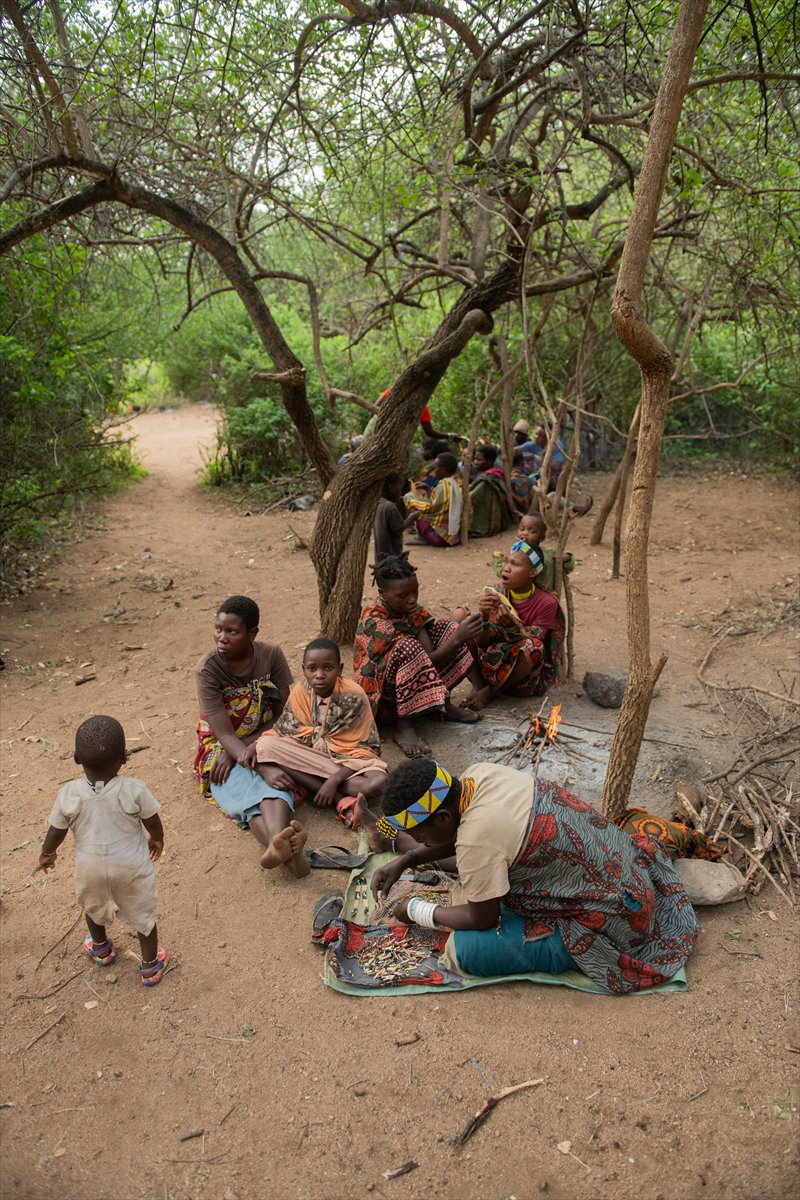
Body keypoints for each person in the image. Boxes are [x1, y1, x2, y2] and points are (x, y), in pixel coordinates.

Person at [368, 758, 698, 994]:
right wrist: (409, 858)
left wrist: (414, 910)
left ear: (441, 818)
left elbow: (481, 918)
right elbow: (462, 838)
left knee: (466, 950)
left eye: (419, 835)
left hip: (619, 923)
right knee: (473, 871)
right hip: (630, 875)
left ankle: (564, 951)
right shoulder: (478, 776)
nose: (421, 842)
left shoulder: (476, 836)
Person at [38, 715, 169, 986]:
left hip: (91, 870)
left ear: (76, 758)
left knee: (92, 906)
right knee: (143, 916)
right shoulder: (134, 790)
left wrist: (47, 853)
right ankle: (150, 966)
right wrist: (156, 838)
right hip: (131, 868)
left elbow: (56, 831)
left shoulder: (69, 794)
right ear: (124, 757)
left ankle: (100, 948)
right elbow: (152, 819)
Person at [194, 595, 309, 876]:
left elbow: (287, 713)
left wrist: (257, 750)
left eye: (232, 631)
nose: (221, 638)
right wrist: (255, 761)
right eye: (218, 629)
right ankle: (284, 848)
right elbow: (222, 732)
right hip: (220, 746)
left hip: (269, 736)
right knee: (253, 788)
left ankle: (279, 847)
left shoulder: (271, 655)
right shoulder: (207, 670)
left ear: (252, 633)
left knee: (270, 783)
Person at [353, 554, 483, 757]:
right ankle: (403, 726)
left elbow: (428, 654)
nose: (412, 598)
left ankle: (441, 705)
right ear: (383, 593)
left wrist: (455, 635)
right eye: (403, 595)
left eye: (415, 591)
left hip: (409, 680)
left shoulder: (408, 607)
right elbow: (422, 659)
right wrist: (458, 639)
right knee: (410, 648)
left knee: (447, 628)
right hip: (384, 704)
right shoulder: (376, 621)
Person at [256, 638, 388, 827]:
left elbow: (365, 749)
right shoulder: (301, 691)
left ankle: (311, 783)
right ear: (303, 669)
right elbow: (285, 730)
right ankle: (339, 799)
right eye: (312, 669)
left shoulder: (354, 695)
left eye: (328, 668)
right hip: (311, 755)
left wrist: (334, 780)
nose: (319, 675)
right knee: (265, 745)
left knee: (378, 782)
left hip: (346, 762)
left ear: (340, 669)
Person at [466, 539, 565, 710]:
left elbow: (536, 641)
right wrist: (482, 615)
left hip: (521, 680)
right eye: (506, 562)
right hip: (489, 666)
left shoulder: (547, 602)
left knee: (533, 646)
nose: (505, 568)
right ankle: (478, 685)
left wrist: (512, 628)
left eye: (515, 564)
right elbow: (482, 641)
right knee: (463, 624)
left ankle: (490, 692)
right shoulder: (495, 593)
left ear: (532, 572)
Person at [492, 512, 575, 592]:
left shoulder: (549, 554)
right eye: (522, 529)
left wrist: (567, 558)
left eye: (532, 531)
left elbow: (568, 567)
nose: (525, 533)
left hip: (544, 599)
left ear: (542, 537)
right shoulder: (514, 553)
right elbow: (504, 572)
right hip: (521, 597)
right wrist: (498, 560)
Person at [405, 451, 462, 547]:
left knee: (411, 500)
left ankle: (421, 538)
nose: (433, 470)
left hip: (439, 538)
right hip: (455, 536)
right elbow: (440, 504)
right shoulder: (457, 481)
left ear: (443, 470)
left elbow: (432, 508)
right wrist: (428, 489)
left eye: (435, 467)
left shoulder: (444, 484)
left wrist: (413, 501)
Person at [468, 444, 515, 538]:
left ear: (489, 461)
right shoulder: (494, 474)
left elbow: (472, 497)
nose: (475, 462)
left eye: (479, 460)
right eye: (475, 459)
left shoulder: (487, 479)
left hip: (487, 522)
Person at [374, 472, 417, 561]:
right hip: (392, 556)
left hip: (380, 557)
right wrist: (412, 517)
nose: (401, 494)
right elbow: (398, 528)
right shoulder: (390, 507)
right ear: (391, 488)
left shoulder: (378, 504)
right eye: (400, 490)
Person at [510, 450, 532, 514]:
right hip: (519, 513)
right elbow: (524, 502)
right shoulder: (522, 480)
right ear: (522, 463)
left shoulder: (506, 476)